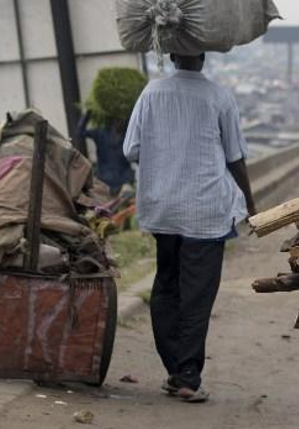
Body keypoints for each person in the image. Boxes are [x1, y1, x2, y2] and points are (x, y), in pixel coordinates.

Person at [123, 52, 256, 403]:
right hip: (205, 209)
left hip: (162, 207)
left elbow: (131, 148)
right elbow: (234, 156)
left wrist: (165, 157)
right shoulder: (218, 96)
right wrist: (250, 202)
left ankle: (175, 369)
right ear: (202, 55)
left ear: (170, 55)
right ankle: (186, 376)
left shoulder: (151, 93)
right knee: (197, 294)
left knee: (166, 285)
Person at [76, 112, 134, 195]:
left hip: (123, 182)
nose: (119, 122)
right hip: (105, 181)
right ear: (111, 120)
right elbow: (80, 132)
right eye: (116, 119)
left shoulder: (128, 135)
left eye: (121, 119)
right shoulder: (100, 133)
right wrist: (88, 114)